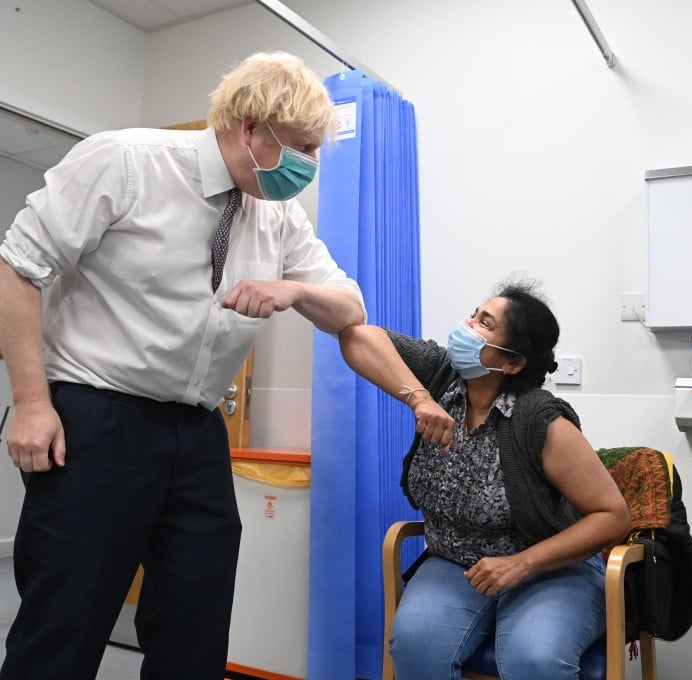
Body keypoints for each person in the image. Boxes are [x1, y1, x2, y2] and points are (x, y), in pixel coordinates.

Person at [0, 51, 366, 680]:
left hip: (196, 434)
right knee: (64, 626)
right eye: (302, 147)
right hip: (95, 416)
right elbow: (16, 270)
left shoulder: (275, 217)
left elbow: (348, 306)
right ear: (250, 126)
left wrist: (296, 291)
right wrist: (32, 403)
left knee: (195, 629)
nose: (308, 166)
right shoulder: (124, 160)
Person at [338, 279, 630, 680]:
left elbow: (612, 516)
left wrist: (521, 563)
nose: (466, 325)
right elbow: (358, 336)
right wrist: (419, 399)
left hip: (549, 568)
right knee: (414, 647)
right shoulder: (441, 378)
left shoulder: (540, 421)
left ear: (512, 363)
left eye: (484, 324)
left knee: (534, 659)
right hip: (455, 564)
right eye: (474, 314)